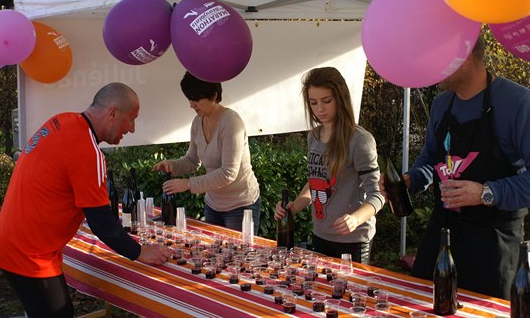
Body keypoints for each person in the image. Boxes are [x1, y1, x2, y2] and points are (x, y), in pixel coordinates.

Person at [0, 83, 171, 317]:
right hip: (30, 254)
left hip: (11, 242)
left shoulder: (62, 120)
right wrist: (139, 252)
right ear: (112, 113)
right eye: (131, 119)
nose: (132, 129)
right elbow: (102, 222)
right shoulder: (87, 150)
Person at [380, 35, 530, 299]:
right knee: (421, 303)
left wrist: (486, 192)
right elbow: (431, 162)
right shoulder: (441, 104)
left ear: (464, 55)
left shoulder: (518, 104)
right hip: (443, 234)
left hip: (493, 243)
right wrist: (410, 180)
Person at [274, 67, 385, 262]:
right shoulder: (314, 137)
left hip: (353, 240)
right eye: (313, 103)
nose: (320, 109)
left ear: (340, 99)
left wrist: (355, 219)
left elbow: (379, 194)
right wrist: (293, 208)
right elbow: (315, 183)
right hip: (320, 234)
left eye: (326, 101)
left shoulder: (360, 140)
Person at [153, 72, 261, 233]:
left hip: (241, 205)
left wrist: (188, 184)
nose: (191, 105)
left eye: (195, 99)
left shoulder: (231, 122)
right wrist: (172, 165)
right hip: (212, 205)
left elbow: (228, 173)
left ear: (214, 95)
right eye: (189, 99)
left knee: (238, 256)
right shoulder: (197, 122)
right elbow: (192, 161)